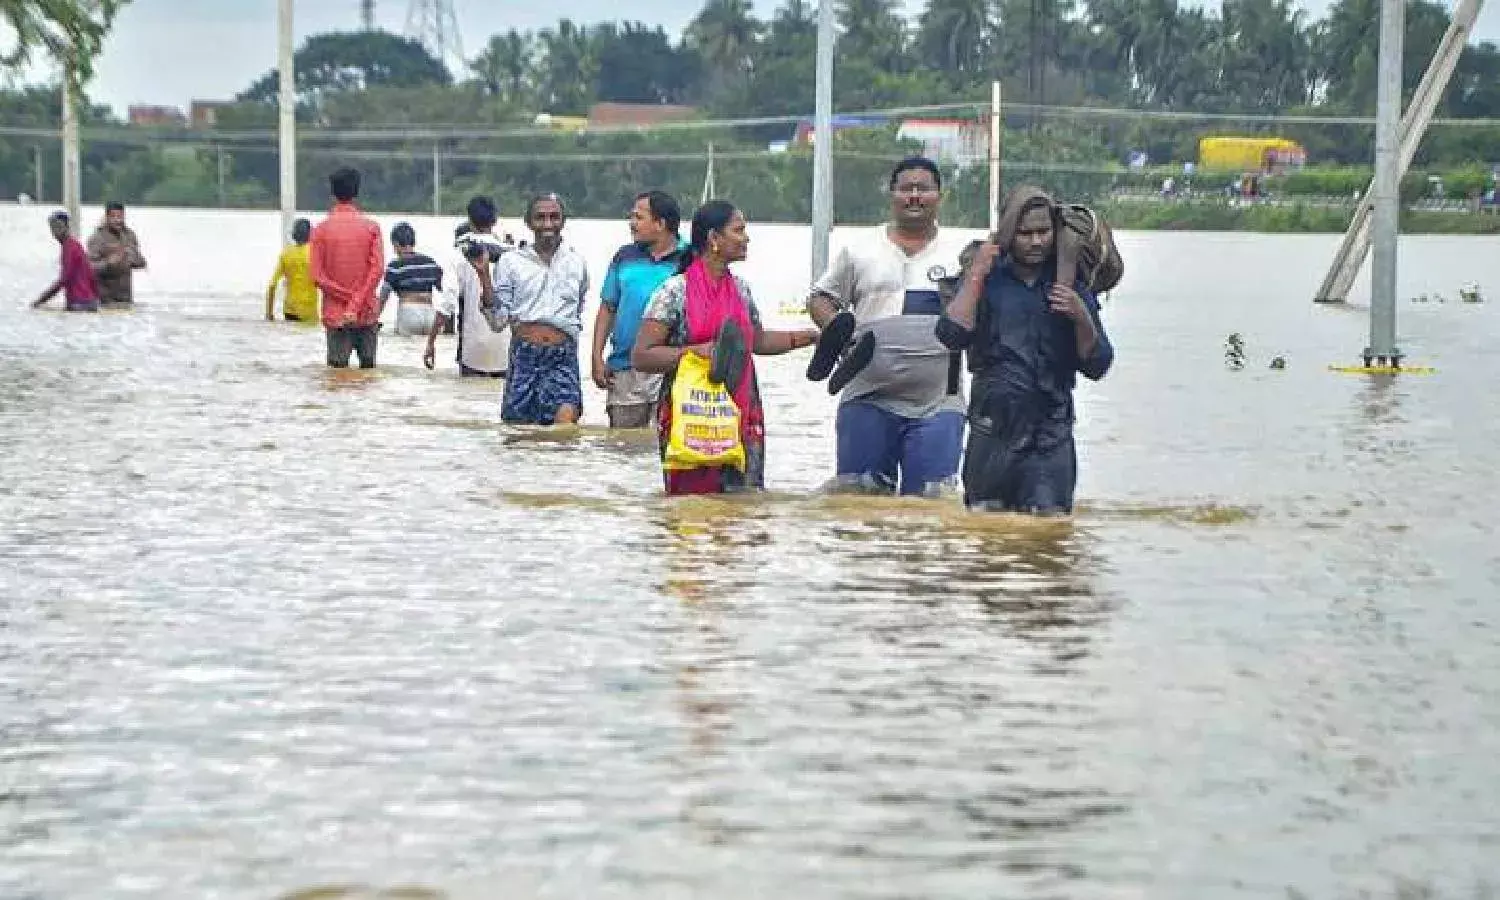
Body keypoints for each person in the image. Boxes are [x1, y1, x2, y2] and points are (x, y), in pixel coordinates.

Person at [935, 185, 1115, 515]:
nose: (1035, 242)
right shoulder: (986, 278)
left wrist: (1081, 317)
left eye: (1043, 232)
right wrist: (976, 274)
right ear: (1008, 233)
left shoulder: (1070, 285)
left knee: (1050, 524)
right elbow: (951, 334)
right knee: (984, 526)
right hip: (992, 429)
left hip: (1051, 433)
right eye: (1024, 233)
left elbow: (1099, 365)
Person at [804, 156, 971, 498]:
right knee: (858, 502)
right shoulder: (859, 249)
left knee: (932, 504)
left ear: (939, 196)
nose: (914, 196)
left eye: (922, 189)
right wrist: (837, 329)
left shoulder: (961, 255)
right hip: (866, 395)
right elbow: (820, 298)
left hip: (939, 401)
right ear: (892, 194)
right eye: (905, 188)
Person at [632, 200, 820, 495]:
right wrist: (696, 352)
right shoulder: (674, 291)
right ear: (714, 239)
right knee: (690, 512)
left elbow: (756, 341)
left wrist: (807, 337)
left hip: (742, 411)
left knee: (744, 504)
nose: (746, 238)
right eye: (739, 230)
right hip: (691, 413)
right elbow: (642, 356)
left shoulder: (741, 289)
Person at [488, 193, 590, 425]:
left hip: (562, 356)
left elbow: (579, 309)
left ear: (563, 221)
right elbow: (497, 321)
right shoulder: (510, 262)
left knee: (565, 425)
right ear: (528, 222)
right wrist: (484, 275)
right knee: (519, 431)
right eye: (540, 218)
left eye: (554, 217)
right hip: (525, 354)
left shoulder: (577, 262)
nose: (547, 224)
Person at [592, 190, 689, 428]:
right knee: (623, 447)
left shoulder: (690, 259)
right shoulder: (624, 257)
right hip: (625, 367)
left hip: (672, 367)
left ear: (660, 223)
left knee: (669, 442)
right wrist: (596, 356)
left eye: (638, 217)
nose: (632, 224)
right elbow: (608, 307)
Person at [308, 167, 384, 369]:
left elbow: (316, 276)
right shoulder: (372, 228)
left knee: (336, 378)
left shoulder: (320, 230)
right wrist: (357, 302)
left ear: (332, 193)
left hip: (337, 316)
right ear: (356, 192)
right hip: (366, 312)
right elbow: (377, 271)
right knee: (368, 378)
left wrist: (349, 301)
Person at [425, 197, 510, 376]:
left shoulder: (459, 254)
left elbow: (447, 302)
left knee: (469, 399)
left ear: (469, 220)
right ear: (495, 220)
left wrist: (431, 342)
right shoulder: (512, 254)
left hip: (472, 351)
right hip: (507, 351)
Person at [379, 222, 443, 336]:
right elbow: (445, 290)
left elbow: (383, 297)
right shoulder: (431, 263)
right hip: (430, 314)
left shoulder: (395, 266)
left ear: (395, 243)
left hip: (408, 312)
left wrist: (373, 320)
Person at [32, 211, 100, 312]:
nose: (55, 231)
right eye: (53, 227)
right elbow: (91, 275)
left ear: (67, 227)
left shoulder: (70, 248)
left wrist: (40, 301)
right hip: (89, 301)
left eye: (59, 227)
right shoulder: (75, 245)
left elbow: (64, 280)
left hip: (79, 303)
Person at [86, 201, 147, 306]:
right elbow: (89, 268)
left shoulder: (130, 235)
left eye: (120, 216)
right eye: (113, 217)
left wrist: (133, 258)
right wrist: (108, 263)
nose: (117, 220)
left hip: (125, 298)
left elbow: (142, 262)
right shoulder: (97, 238)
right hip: (104, 299)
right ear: (106, 217)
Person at [265, 217, 319, 322]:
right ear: (311, 234)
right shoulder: (314, 253)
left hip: (289, 310)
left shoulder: (286, 253)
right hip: (308, 310)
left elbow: (272, 285)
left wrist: (269, 313)